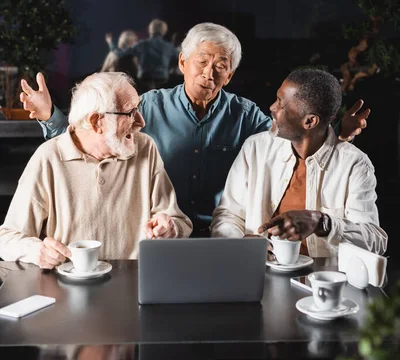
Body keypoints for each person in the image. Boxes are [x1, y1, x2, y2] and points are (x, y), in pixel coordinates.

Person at [20, 23, 370, 237]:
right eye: (202, 62)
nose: (210, 72)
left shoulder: (246, 115)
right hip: (160, 234)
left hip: (224, 234)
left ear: (230, 74)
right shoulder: (150, 107)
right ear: (182, 62)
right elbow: (94, 138)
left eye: (221, 66)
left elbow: (293, 139)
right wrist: (50, 115)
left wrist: (333, 129)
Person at [0, 72, 192, 268]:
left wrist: (170, 227)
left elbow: (179, 221)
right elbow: (7, 237)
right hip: (68, 288)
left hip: (135, 283)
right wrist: (35, 250)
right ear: (96, 122)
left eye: (138, 109)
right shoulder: (48, 158)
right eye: (130, 113)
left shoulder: (145, 148)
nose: (141, 122)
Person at [211, 68, 387, 257]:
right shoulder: (255, 148)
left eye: (280, 103)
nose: (272, 107)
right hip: (258, 275)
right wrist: (240, 244)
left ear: (310, 121)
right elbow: (228, 215)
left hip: (323, 281)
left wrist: (322, 223)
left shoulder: (354, 165)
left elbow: (375, 240)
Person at [106, 19, 179, 92]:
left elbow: (120, 53)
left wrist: (111, 43)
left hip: (144, 79)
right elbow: (180, 59)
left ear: (150, 30)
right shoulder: (168, 47)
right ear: (164, 31)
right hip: (163, 80)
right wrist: (168, 68)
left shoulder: (142, 44)